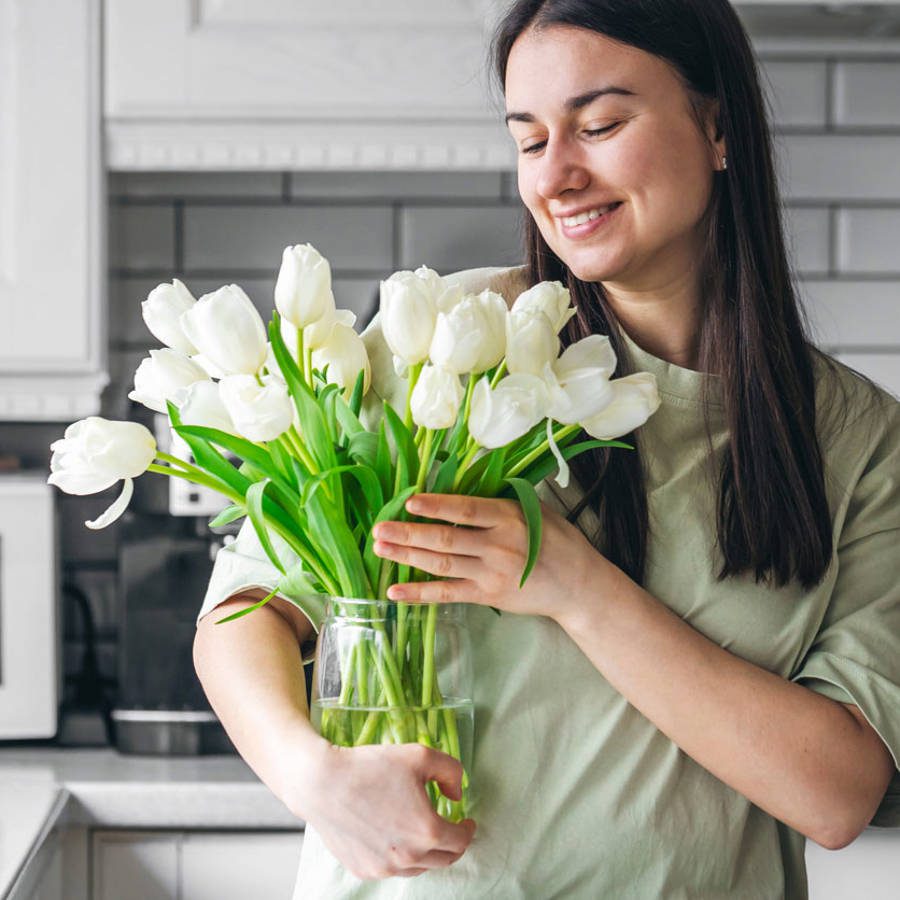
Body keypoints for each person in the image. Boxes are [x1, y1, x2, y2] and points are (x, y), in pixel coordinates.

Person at [193, 0, 900, 896]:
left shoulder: (859, 440)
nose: (557, 175)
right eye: (530, 141)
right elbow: (244, 607)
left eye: (599, 125)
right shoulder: (445, 342)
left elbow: (837, 794)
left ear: (717, 126)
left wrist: (575, 588)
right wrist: (313, 777)